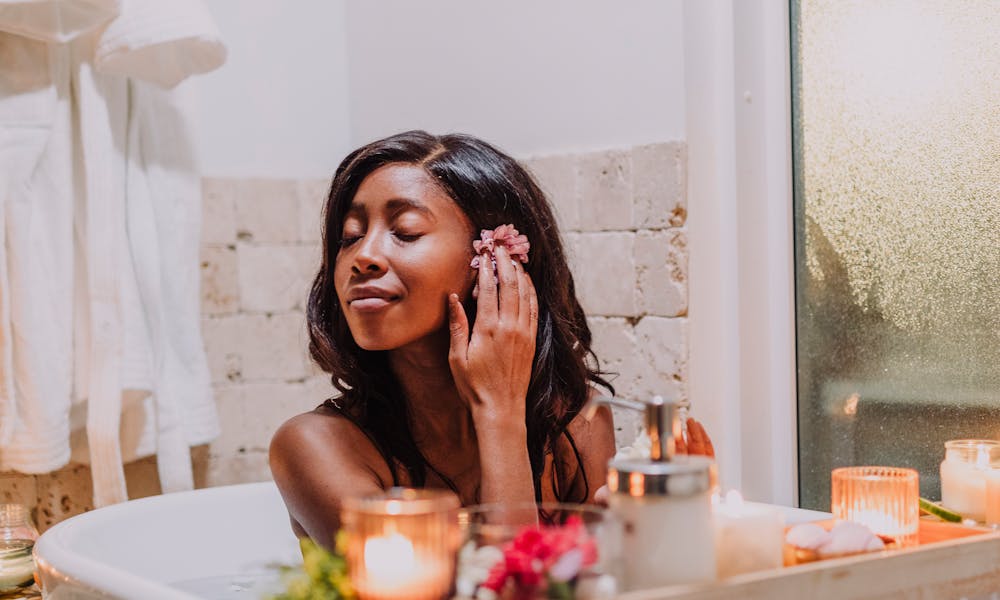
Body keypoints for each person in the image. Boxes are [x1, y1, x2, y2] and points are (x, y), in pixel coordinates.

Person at [269, 131, 714, 548]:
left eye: (405, 232)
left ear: (496, 261)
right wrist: (498, 410)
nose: (362, 256)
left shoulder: (575, 426)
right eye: (350, 237)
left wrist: (642, 539)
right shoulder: (314, 448)